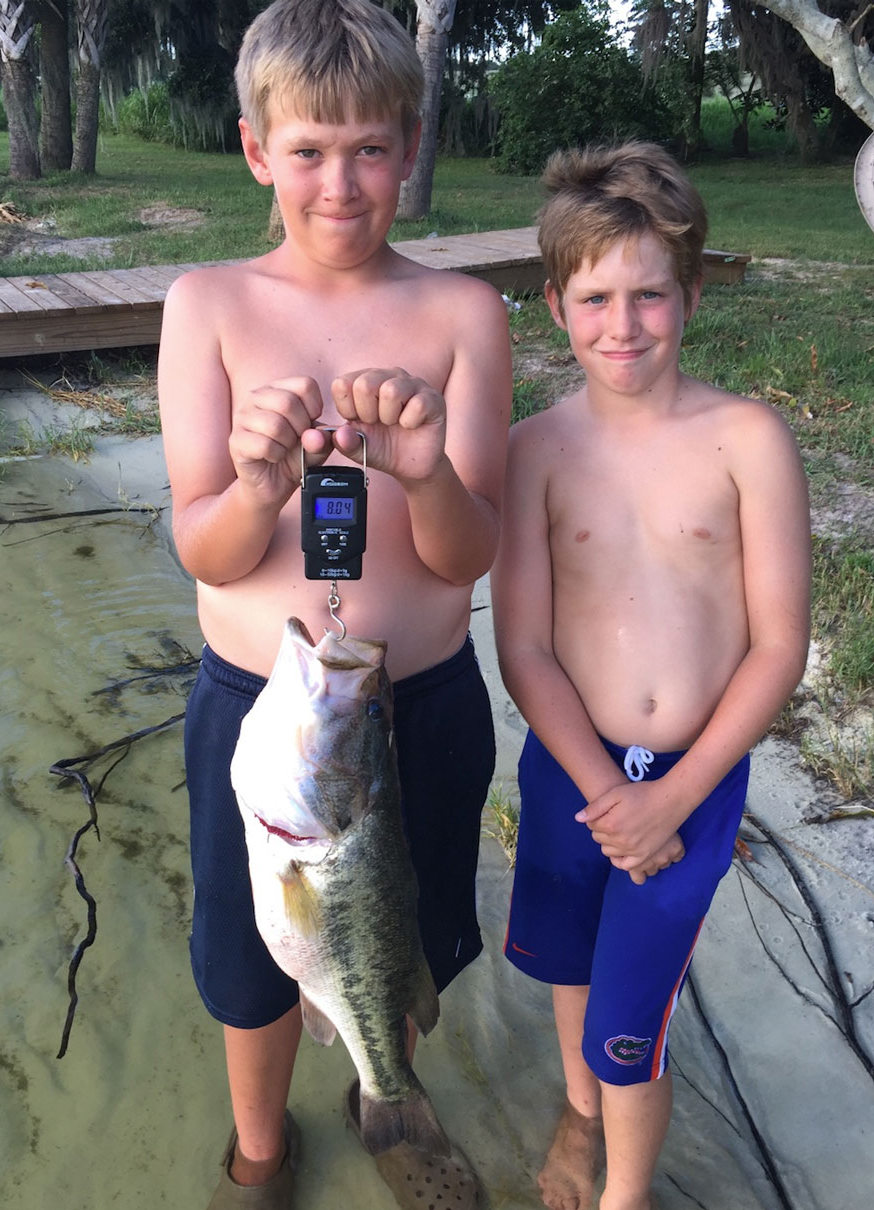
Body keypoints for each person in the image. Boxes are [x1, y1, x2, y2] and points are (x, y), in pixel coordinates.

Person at [157, 2, 512, 1208]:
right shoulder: (206, 305)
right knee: (250, 965)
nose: (342, 181)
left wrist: (426, 473)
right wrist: (256, 491)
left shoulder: (465, 316)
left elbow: (471, 556)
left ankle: (386, 1104)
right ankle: (259, 1146)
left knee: (393, 936)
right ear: (259, 149)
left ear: (410, 146)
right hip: (264, 720)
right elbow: (205, 549)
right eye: (309, 150)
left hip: (424, 703)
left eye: (370, 147)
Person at [491, 142, 811, 1210]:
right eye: (595, 298)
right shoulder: (532, 449)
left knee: (633, 1026)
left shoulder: (746, 440)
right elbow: (524, 646)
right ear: (553, 305)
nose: (621, 325)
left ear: (693, 292)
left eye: (648, 295)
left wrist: (667, 795)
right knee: (572, 969)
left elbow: (779, 646)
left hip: (690, 781)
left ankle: (625, 1192)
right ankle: (578, 1119)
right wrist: (601, 790)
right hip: (570, 770)